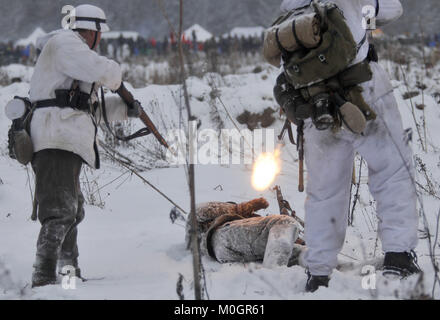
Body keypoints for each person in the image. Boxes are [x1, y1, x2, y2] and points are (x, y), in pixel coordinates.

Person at [274, 0, 420, 292]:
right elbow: (392, 9)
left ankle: (318, 273)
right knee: (392, 172)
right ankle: (399, 256)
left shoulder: (291, 4)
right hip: (363, 89)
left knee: (324, 191)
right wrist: (368, 16)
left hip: (316, 100)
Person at [29, 4, 141, 287]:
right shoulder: (65, 43)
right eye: (98, 34)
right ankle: (43, 279)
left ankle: (68, 273)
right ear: (90, 31)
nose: (99, 40)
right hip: (55, 137)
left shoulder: (73, 55)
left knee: (72, 209)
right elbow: (101, 70)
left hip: (65, 136)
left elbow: (87, 108)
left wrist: (125, 110)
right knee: (60, 211)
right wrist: (116, 76)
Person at [185, 198, 305, 268]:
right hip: (223, 235)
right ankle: (275, 277)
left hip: (227, 252)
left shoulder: (246, 223)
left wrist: (291, 238)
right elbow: (198, 212)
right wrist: (241, 208)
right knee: (283, 221)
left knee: (299, 251)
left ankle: (317, 271)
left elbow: (275, 241)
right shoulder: (216, 222)